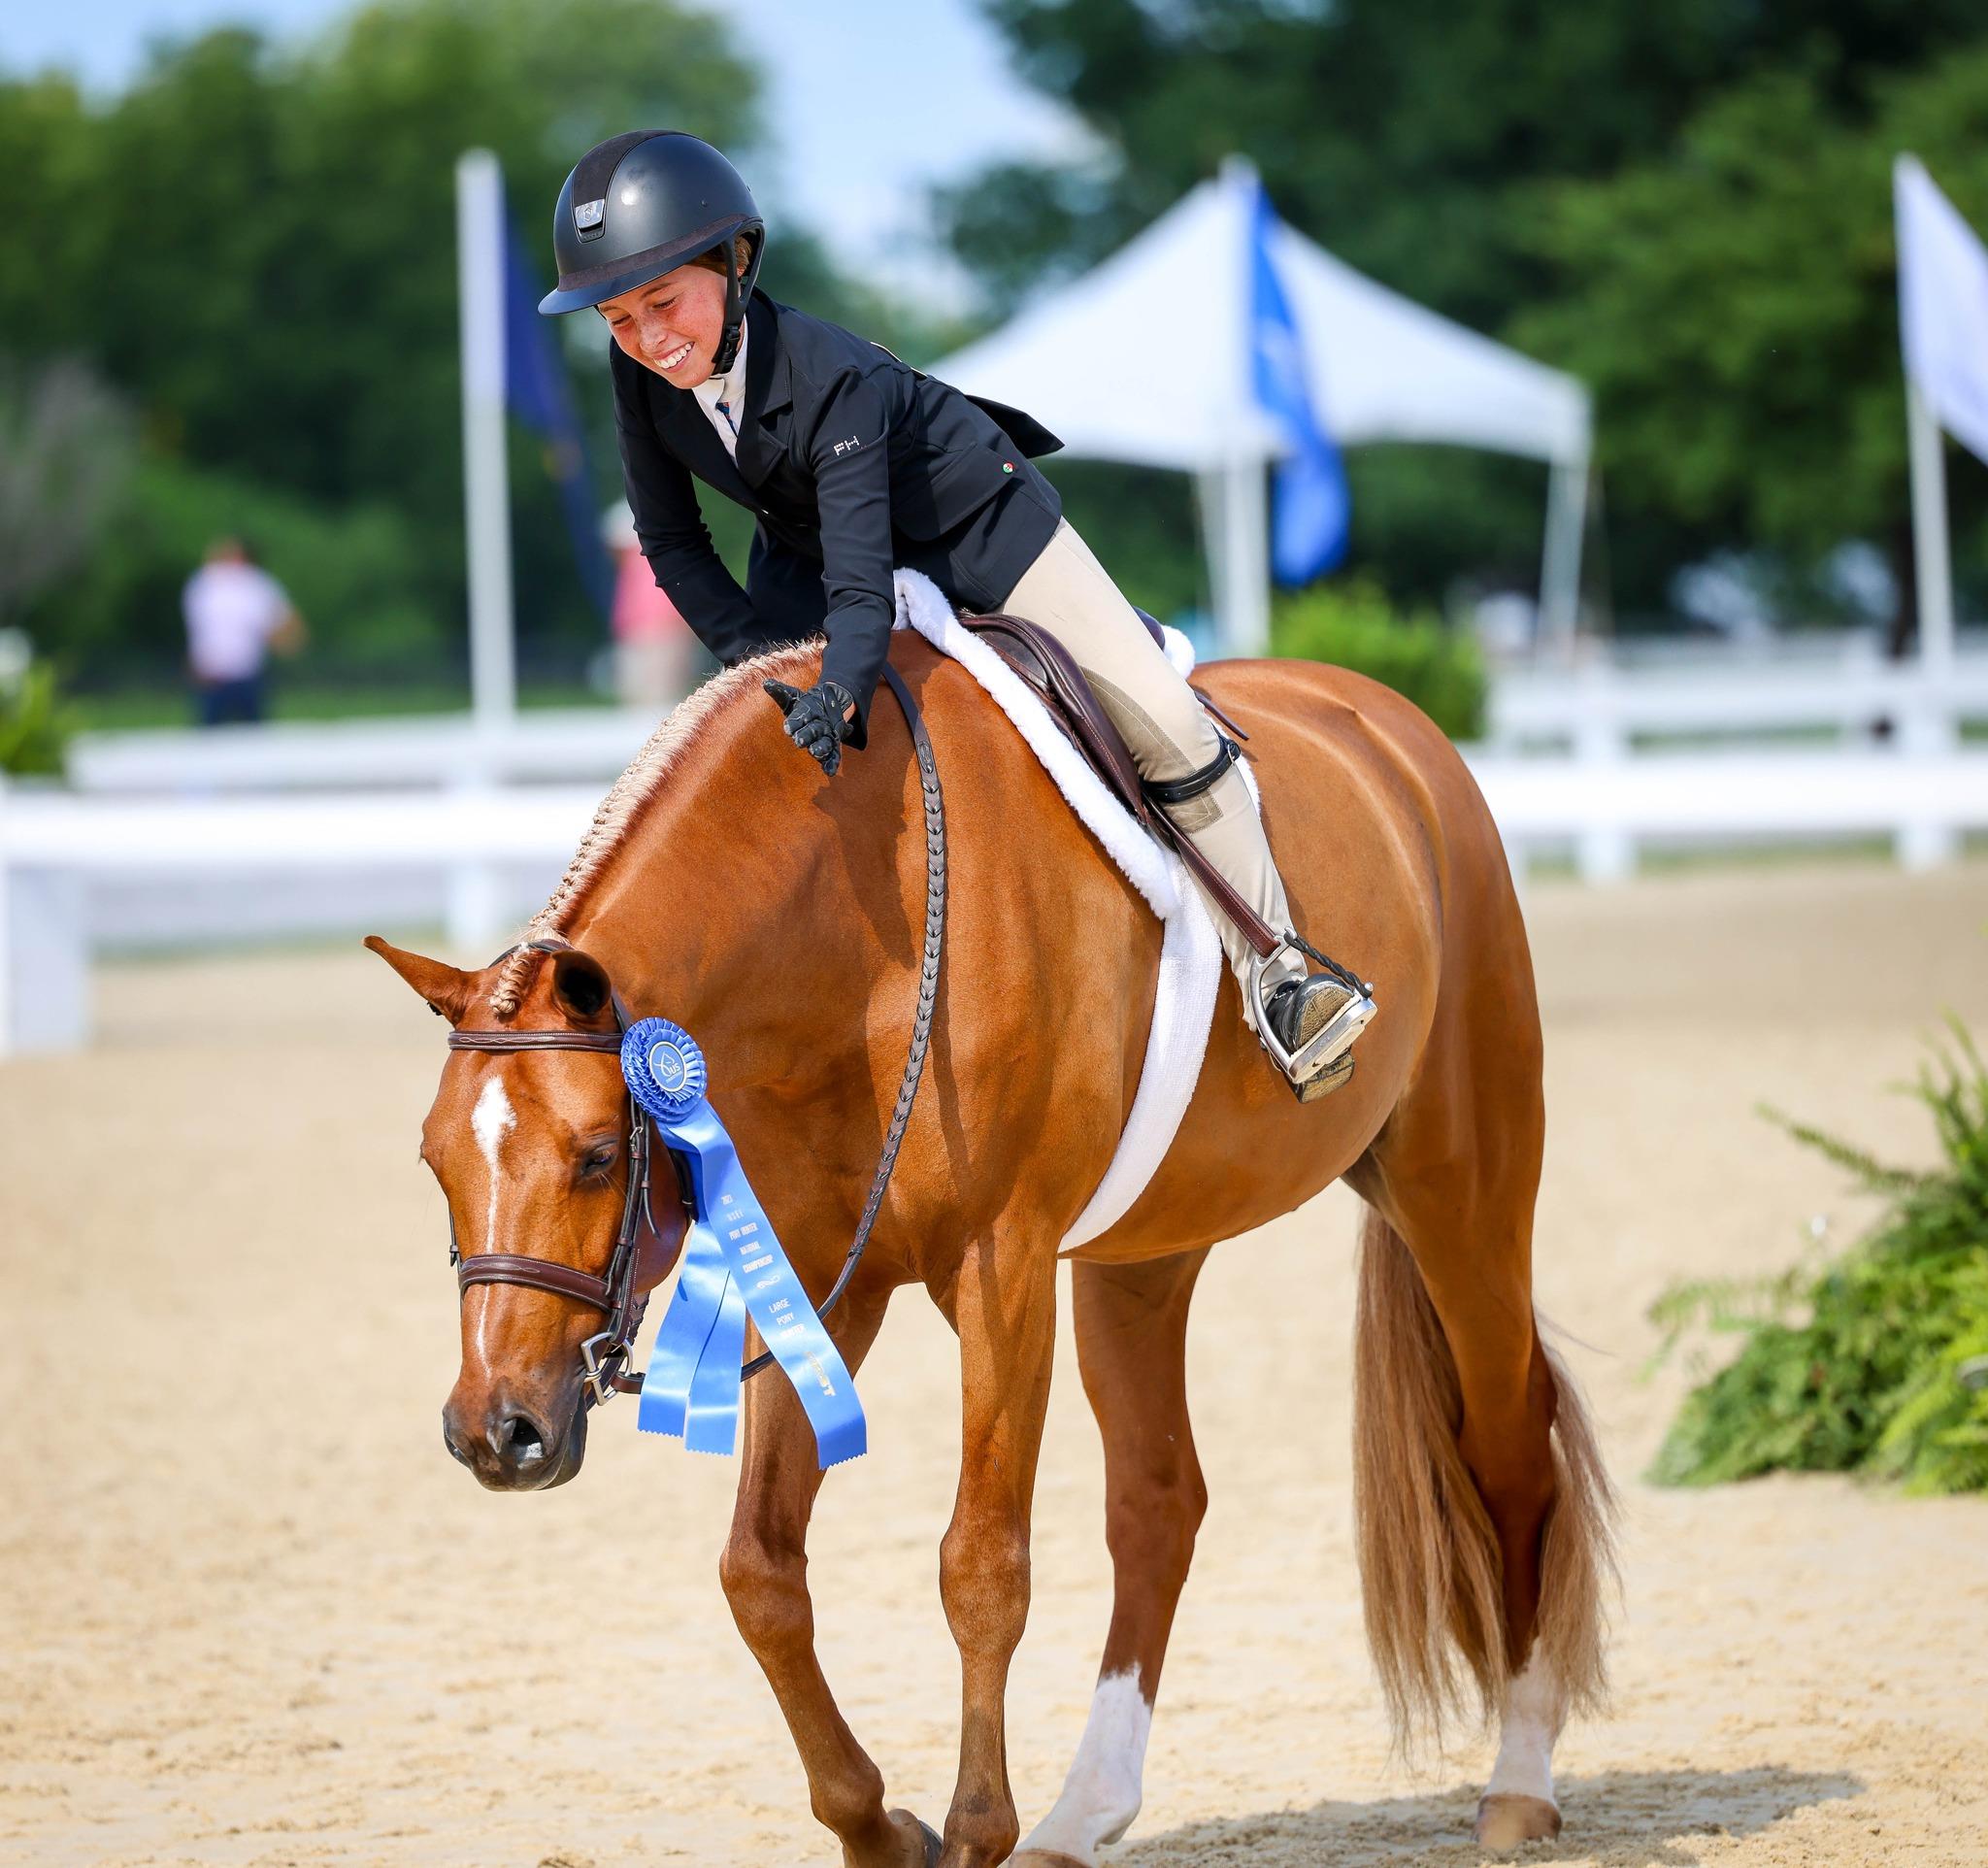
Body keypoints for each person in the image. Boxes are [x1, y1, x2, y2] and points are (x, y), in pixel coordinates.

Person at [539, 130, 1371, 1097]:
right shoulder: (641, 377)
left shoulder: (831, 378)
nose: (647, 337)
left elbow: (864, 578)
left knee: (1164, 721)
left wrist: (838, 689)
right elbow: (673, 542)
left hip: (974, 526)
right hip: (810, 553)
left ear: (734, 264)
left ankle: (1279, 966)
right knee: (741, 746)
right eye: (619, 317)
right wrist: (752, 662)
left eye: (662, 302)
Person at [182, 537, 305, 727]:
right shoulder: (203, 584)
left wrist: (286, 642)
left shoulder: (255, 584)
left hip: (247, 674)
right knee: (207, 743)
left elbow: (286, 619)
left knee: (254, 741)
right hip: (212, 675)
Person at [603, 500, 700, 709]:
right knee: (640, 701)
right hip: (642, 638)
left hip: (661, 637)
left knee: (659, 703)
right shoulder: (633, 569)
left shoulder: (653, 565)